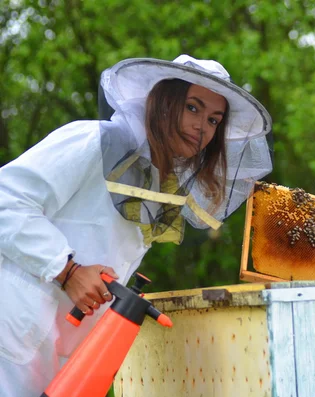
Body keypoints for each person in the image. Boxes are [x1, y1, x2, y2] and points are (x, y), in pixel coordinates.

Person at [0, 54, 273, 396]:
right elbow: (7, 199)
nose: (203, 127)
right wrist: (66, 270)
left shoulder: (158, 184)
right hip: (12, 327)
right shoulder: (92, 139)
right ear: (163, 102)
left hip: (58, 353)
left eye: (215, 120)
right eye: (193, 108)